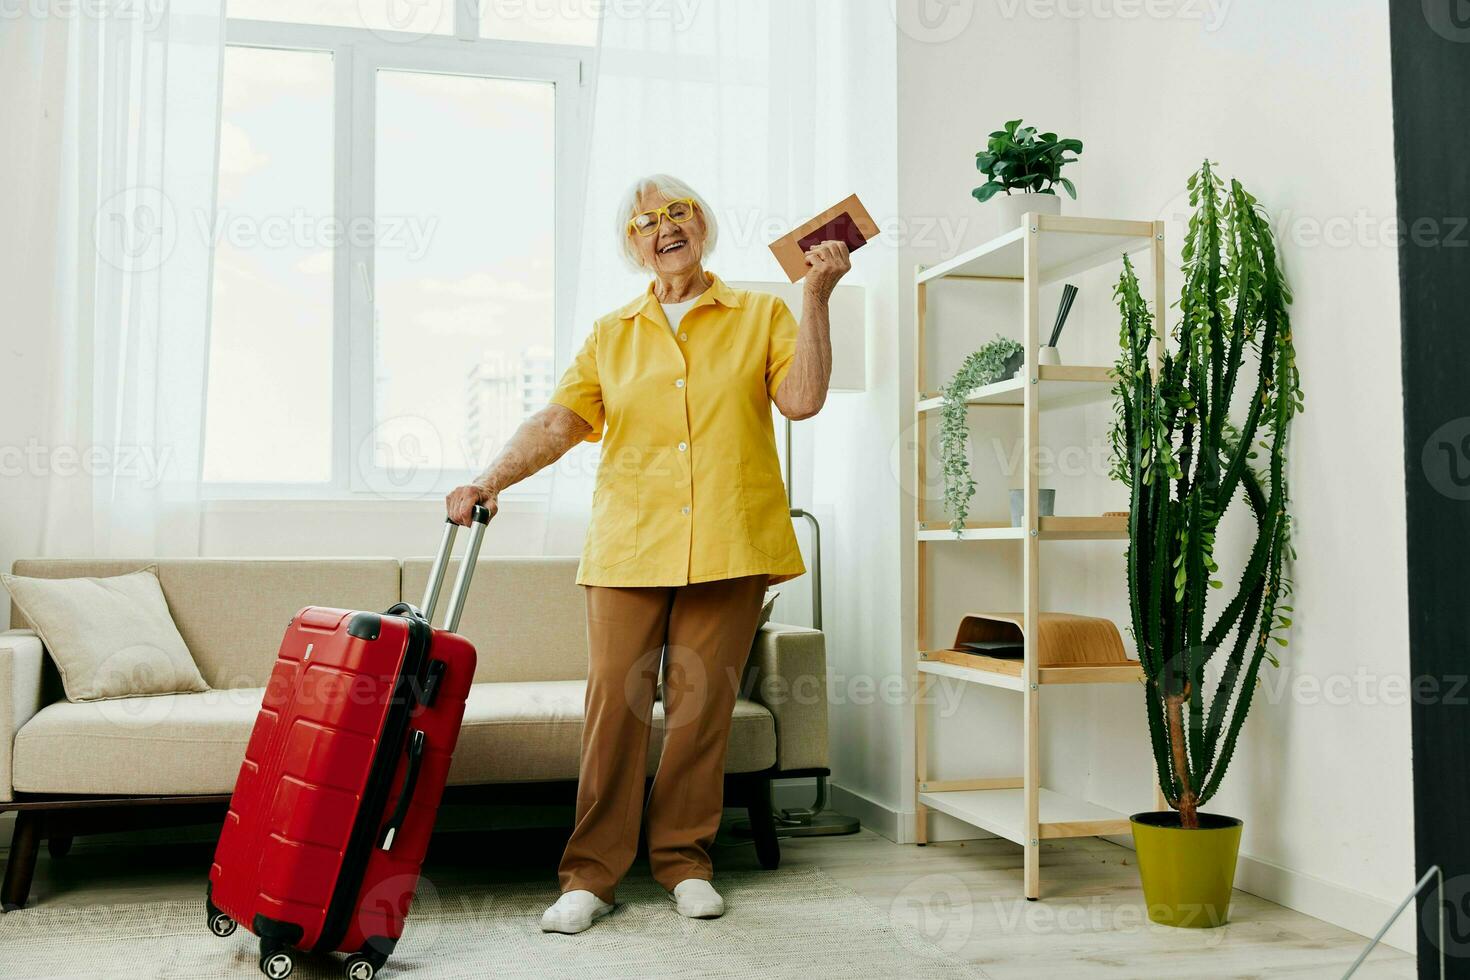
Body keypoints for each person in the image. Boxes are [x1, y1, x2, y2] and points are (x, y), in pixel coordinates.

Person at [446, 173, 850, 934]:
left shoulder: (759, 313)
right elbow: (559, 422)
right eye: (645, 221)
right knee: (615, 711)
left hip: (732, 540)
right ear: (632, 246)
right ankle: (591, 875)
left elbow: (802, 400)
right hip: (630, 546)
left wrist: (819, 298)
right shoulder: (612, 334)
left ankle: (685, 861)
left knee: (701, 713)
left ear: (703, 224)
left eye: (678, 212)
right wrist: (489, 478)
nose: (664, 227)